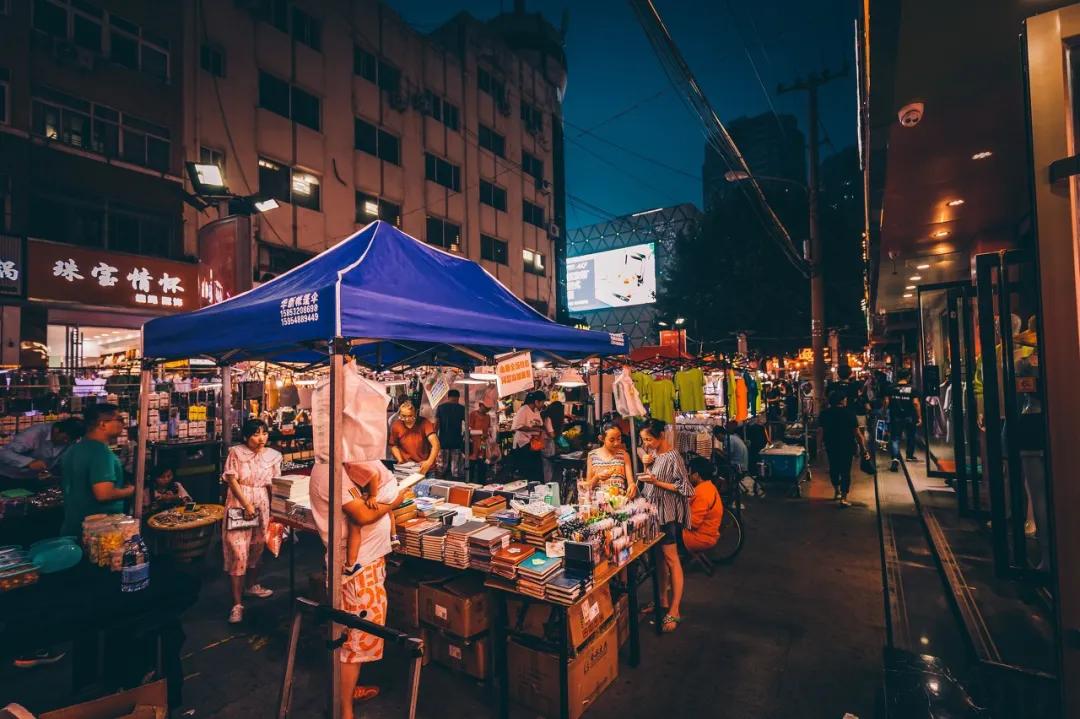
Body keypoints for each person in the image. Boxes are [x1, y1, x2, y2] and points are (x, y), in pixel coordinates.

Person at [221, 419, 281, 624]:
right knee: (238, 551)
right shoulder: (236, 453)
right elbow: (231, 479)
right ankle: (237, 604)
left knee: (257, 546)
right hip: (239, 503)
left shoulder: (273, 456)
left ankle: (252, 586)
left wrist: (279, 510)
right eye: (256, 434)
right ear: (246, 437)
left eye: (264, 433)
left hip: (262, 502)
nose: (261, 438)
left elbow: (275, 484)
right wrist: (246, 505)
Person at [638, 418, 694, 633]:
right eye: (643, 440)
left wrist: (656, 482)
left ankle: (675, 609)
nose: (646, 443)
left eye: (649, 439)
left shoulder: (673, 457)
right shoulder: (654, 455)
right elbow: (647, 479)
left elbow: (687, 489)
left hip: (666, 516)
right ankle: (661, 600)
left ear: (661, 436)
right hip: (652, 514)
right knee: (658, 559)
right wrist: (645, 464)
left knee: (672, 560)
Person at [60, 403, 133, 537]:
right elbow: (104, 494)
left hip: (74, 525)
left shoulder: (73, 449)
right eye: (120, 420)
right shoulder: (100, 453)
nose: (123, 424)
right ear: (102, 424)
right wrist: (130, 490)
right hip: (99, 532)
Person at [0, 418, 84, 489]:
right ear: (57, 430)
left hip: (34, 479)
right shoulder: (34, 434)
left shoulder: (70, 441)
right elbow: (4, 453)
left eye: (69, 440)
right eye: (65, 438)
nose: (66, 442)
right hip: (9, 477)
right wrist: (29, 462)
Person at [818, 391, 869, 506]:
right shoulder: (849, 413)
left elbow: (820, 431)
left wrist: (819, 447)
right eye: (845, 399)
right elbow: (856, 433)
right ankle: (844, 498)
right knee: (845, 471)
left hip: (831, 445)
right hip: (847, 445)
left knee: (834, 468)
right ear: (842, 401)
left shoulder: (824, 413)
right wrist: (863, 447)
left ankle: (837, 491)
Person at [682, 456, 724, 553]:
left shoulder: (701, 493)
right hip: (709, 533)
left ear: (696, 475)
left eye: (689, 473)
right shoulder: (708, 486)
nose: (688, 475)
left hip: (700, 539)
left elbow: (693, 523)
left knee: (665, 538)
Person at [585, 424, 637, 498]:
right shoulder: (592, 455)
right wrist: (597, 477)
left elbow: (630, 482)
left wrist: (632, 486)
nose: (616, 443)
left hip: (619, 501)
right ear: (601, 438)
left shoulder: (624, 455)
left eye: (619, 439)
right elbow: (588, 487)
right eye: (611, 440)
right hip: (598, 503)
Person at [389, 401, 439, 476]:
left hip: (425, 469)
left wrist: (428, 462)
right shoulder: (397, 425)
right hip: (407, 469)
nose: (407, 419)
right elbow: (393, 445)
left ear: (416, 413)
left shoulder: (425, 423)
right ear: (399, 414)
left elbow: (436, 444)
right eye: (403, 416)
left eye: (410, 416)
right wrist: (400, 459)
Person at [884, 369, 921, 471]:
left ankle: (895, 458)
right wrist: (919, 417)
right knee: (911, 436)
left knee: (895, 438)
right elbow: (916, 403)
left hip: (895, 416)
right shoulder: (913, 389)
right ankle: (909, 456)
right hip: (909, 416)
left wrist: (884, 413)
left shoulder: (890, 388)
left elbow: (886, 402)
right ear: (908, 377)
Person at [510, 391, 546, 482]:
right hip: (524, 445)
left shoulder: (537, 411)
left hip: (534, 445)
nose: (543, 404)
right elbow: (517, 426)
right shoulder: (523, 410)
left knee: (537, 472)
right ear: (536, 401)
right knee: (527, 472)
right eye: (542, 402)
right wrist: (533, 429)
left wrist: (539, 429)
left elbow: (539, 424)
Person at [434, 390, 466, 480]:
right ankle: (456, 487)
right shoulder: (461, 408)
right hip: (456, 441)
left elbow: (436, 424)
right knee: (456, 470)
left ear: (448, 397)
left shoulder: (441, 408)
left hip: (443, 441)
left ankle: (439, 485)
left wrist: (434, 439)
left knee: (441, 467)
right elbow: (467, 425)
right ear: (458, 397)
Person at [467, 398, 495, 484]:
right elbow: (469, 430)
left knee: (482, 464)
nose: (487, 410)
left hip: (483, 444)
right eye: (486, 408)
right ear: (480, 405)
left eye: (489, 409)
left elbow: (489, 428)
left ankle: (482, 482)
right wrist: (482, 432)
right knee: (472, 465)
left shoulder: (488, 417)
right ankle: (470, 482)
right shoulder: (473, 414)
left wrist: (490, 433)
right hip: (474, 444)